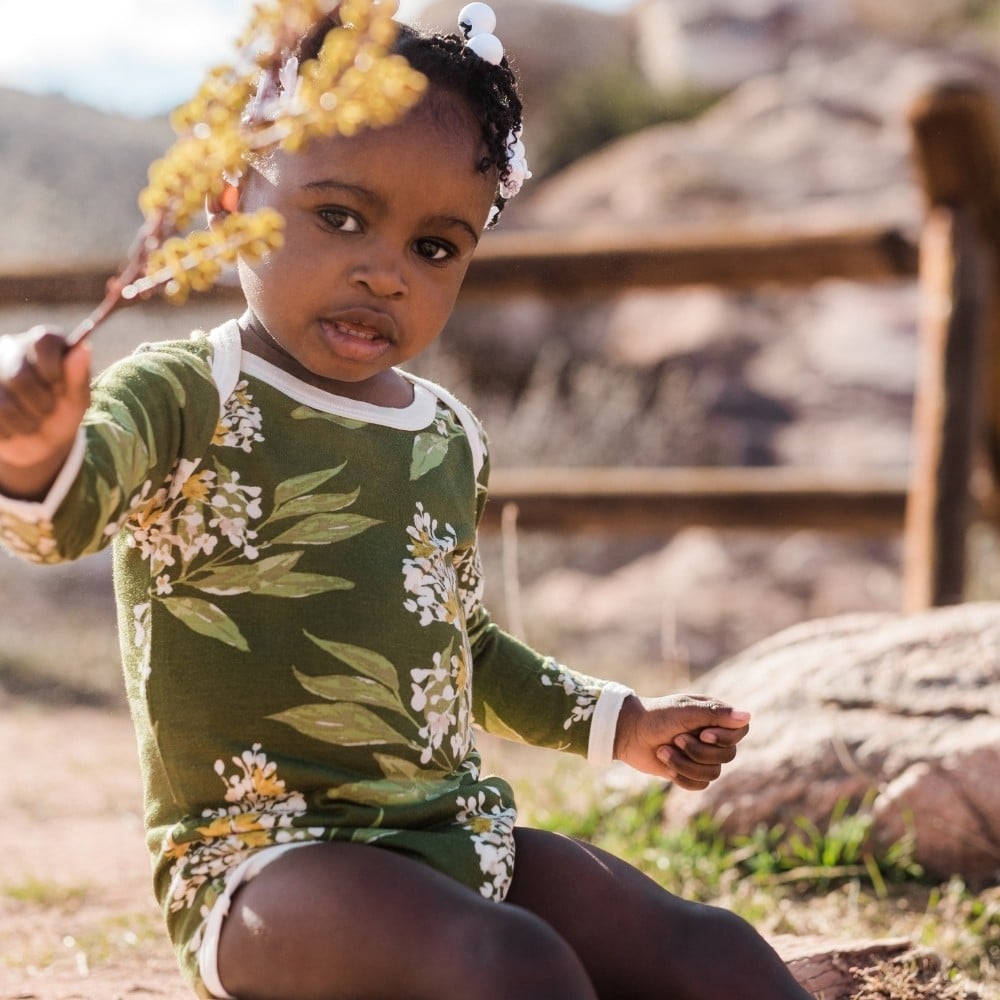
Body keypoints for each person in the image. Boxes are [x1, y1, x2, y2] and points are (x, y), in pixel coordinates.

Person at [0, 5, 813, 998]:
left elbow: (460, 650)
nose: (384, 271)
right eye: (340, 217)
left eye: (434, 247)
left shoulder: (444, 435)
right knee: (511, 963)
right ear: (231, 196)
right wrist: (34, 446)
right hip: (266, 870)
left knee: (708, 947)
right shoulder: (184, 393)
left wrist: (625, 722)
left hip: (453, 837)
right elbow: (61, 520)